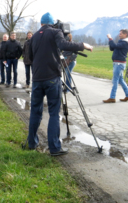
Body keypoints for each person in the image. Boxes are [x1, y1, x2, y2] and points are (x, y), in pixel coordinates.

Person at [27, 12, 93, 156]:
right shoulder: (56, 32)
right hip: (52, 78)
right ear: (53, 24)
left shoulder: (35, 36)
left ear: (41, 24)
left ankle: (31, 143)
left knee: (35, 111)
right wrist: (83, 45)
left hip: (37, 79)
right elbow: (64, 44)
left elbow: (30, 57)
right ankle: (55, 148)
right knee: (54, 113)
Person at [103, 29, 128, 103]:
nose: (119, 35)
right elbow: (112, 48)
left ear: (125, 34)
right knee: (121, 80)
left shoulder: (125, 43)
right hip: (118, 63)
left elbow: (113, 45)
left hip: (119, 63)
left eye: (120, 34)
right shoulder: (122, 42)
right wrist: (110, 41)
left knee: (115, 80)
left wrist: (110, 38)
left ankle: (112, 97)